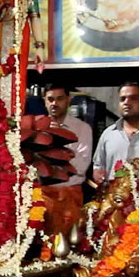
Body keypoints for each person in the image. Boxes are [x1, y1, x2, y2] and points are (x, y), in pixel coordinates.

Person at [41, 84, 93, 235]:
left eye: (59, 99)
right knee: (42, 243)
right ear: (45, 101)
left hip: (70, 194)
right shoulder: (37, 127)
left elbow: (81, 165)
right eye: (50, 99)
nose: (54, 104)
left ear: (68, 100)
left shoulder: (82, 128)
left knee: (71, 241)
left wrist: (47, 166)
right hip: (43, 196)